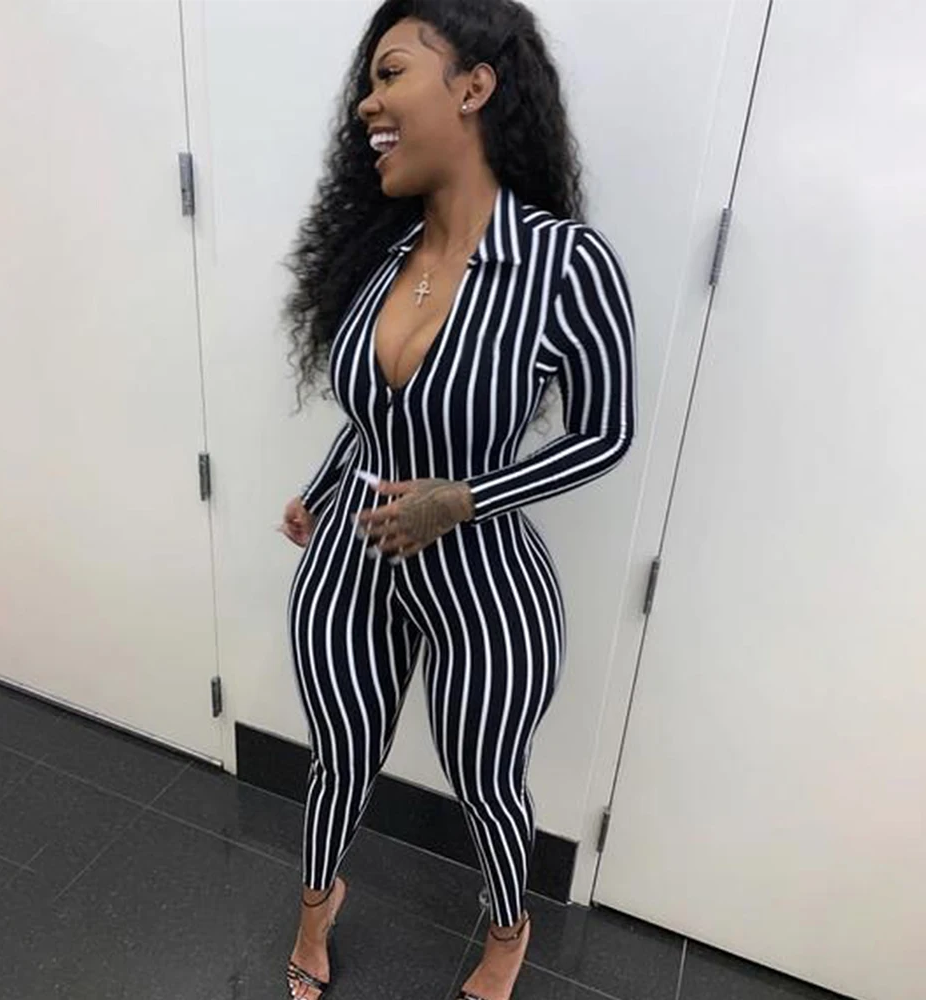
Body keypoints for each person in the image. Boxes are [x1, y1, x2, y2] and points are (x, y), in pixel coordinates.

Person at [279, 1, 635, 997]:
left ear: (475, 86)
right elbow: (381, 415)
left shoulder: (567, 266)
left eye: (390, 73)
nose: (367, 104)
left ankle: (509, 930)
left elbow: (606, 433)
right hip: (351, 559)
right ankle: (315, 907)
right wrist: (319, 487)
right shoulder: (387, 255)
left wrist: (465, 498)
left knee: (485, 778)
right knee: (338, 755)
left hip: (484, 582)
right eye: (367, 82)